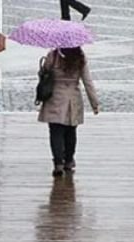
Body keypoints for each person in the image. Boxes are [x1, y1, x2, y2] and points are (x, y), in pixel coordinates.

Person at [38, 47, 99, 177]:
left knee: (56, 132)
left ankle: (58, 162)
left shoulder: (53, 55)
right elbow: (87, 81)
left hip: (55, 97)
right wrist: (94, 103)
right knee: (71, 131)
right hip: (73, 98)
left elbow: (45, 74)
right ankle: (69, 160)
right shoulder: (80, 56)